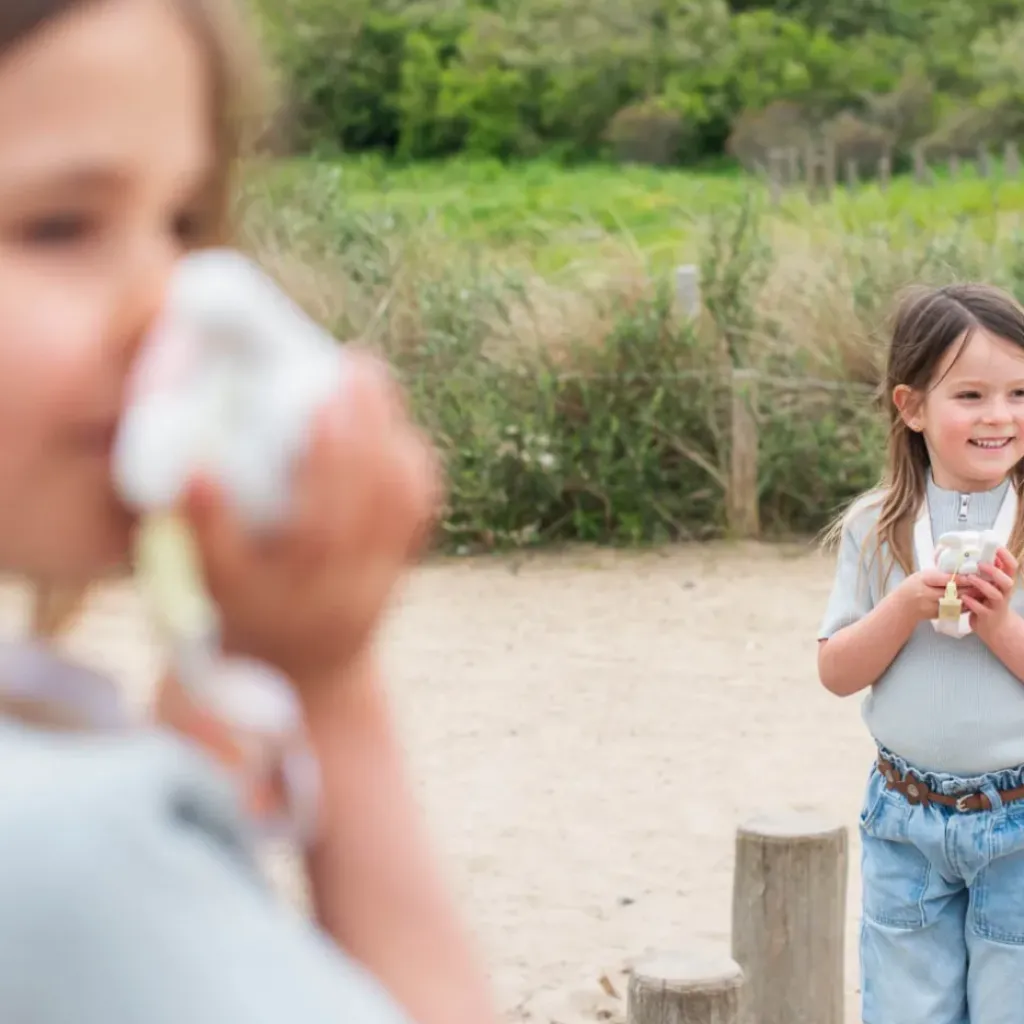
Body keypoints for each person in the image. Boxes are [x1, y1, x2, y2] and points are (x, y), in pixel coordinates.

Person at [0, 2, 496, 1023]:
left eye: (181, 223)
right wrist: (328, 685)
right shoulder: (61, 851)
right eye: (60, 224)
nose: (176, 303)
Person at [818, 281, 1024, 1023]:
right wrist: (903, 605)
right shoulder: (876, 527)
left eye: (1019, 392)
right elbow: (836, 672)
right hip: (904, 820)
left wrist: (999, 622)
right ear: (911, 407)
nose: (999, 416)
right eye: (970, 395)